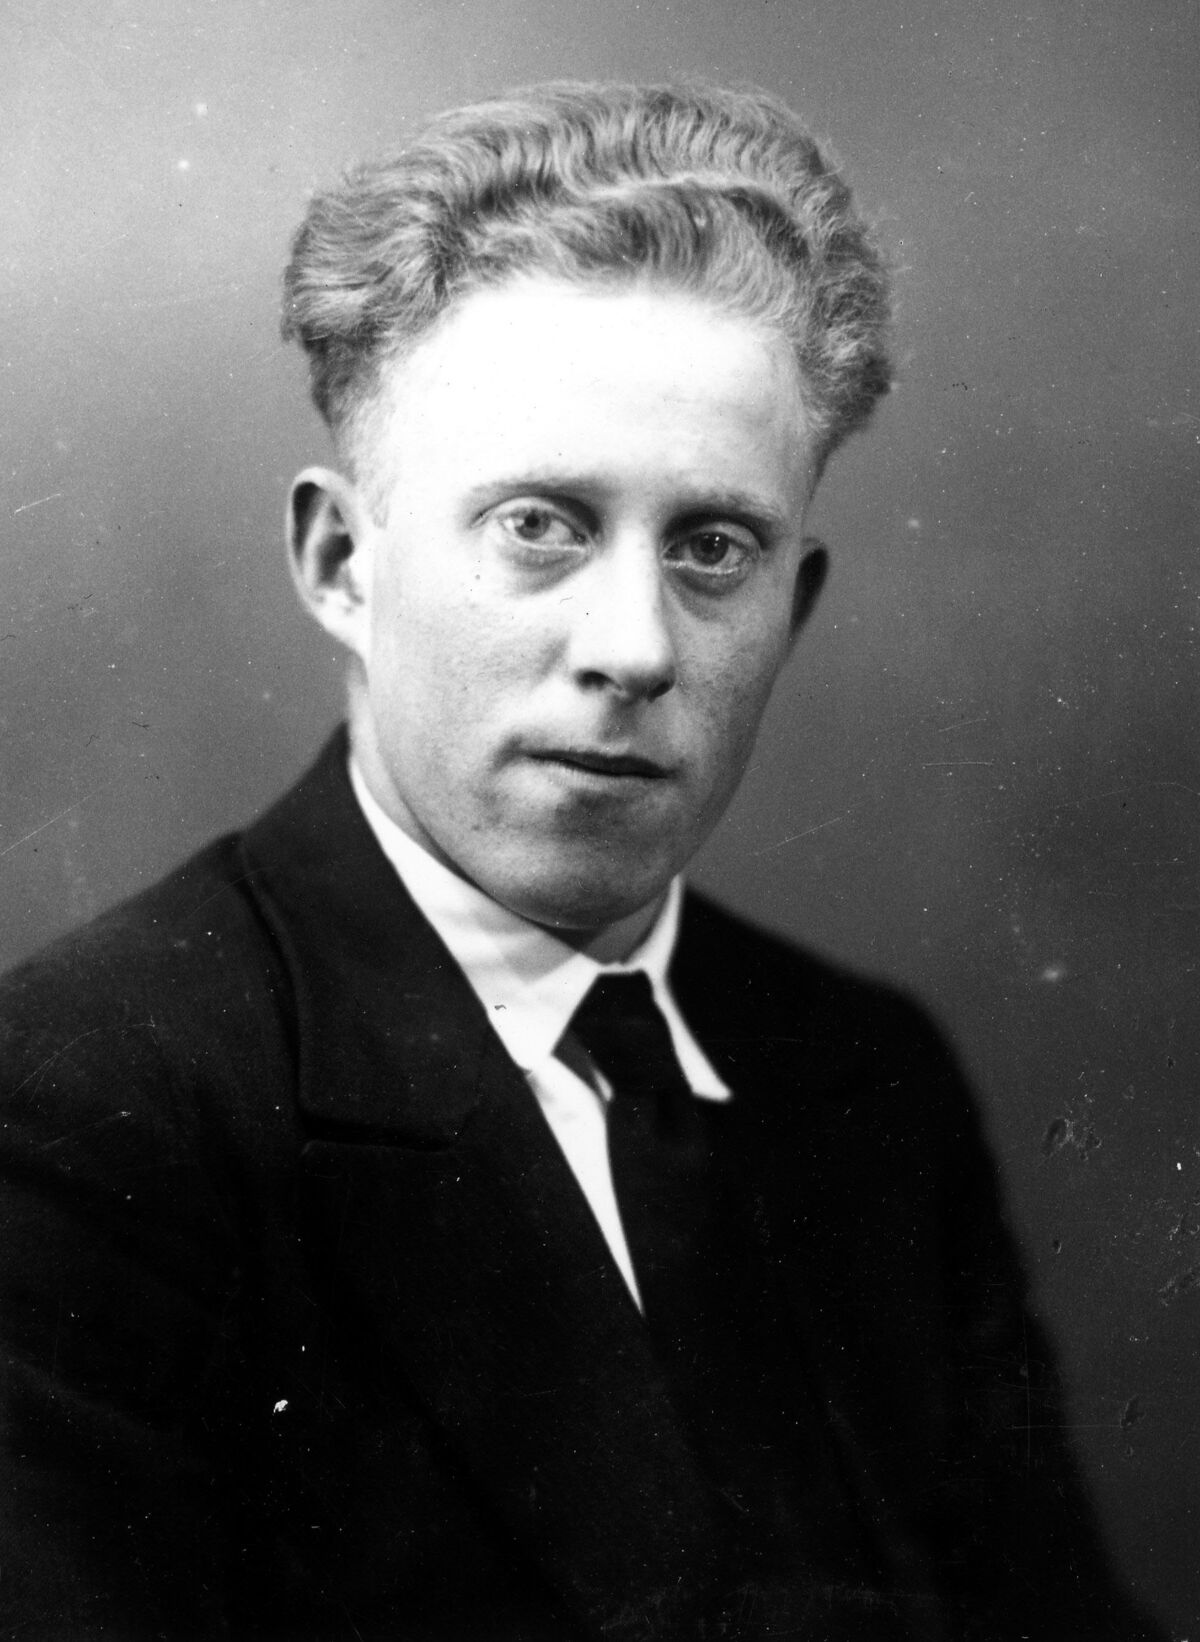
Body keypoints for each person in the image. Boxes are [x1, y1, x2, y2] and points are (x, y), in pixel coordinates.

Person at [0, 81, 1164, 1641]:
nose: (636, 646)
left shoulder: (866, 1077)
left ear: (796, 603)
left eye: (713, 548)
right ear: (342, 562)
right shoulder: (93, 1105)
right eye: (540, 525)